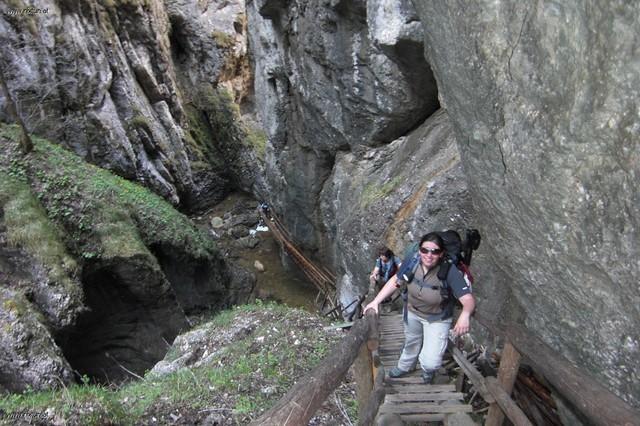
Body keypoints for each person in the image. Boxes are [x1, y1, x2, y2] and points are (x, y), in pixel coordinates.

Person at [364, 232, 475, 384]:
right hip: (412, 312)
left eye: (434, 251)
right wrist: (375, 301)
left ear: (441, 253)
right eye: (424, 250)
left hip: (437, 318)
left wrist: (465, 314)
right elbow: (395, 281)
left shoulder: (449, 270)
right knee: (411, 342)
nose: (429, 255)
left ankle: (428, 369)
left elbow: (467, 298)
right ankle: (404, 367)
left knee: (431, 361)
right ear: (419, 250)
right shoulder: (413, 261)